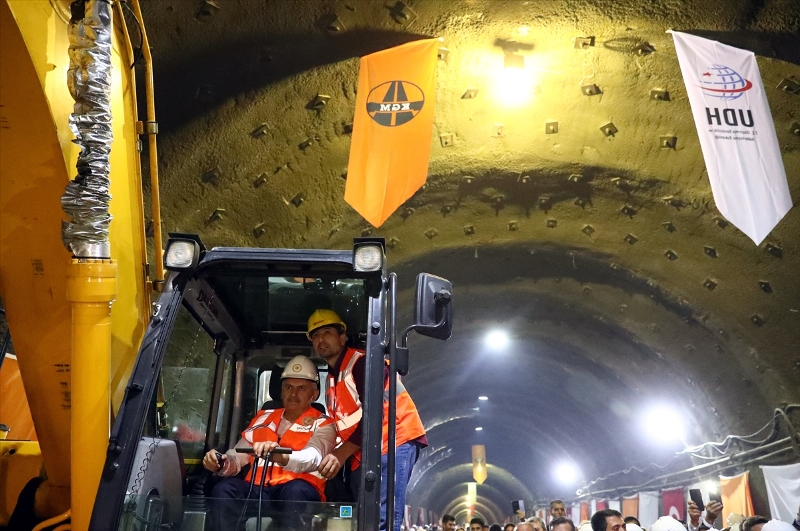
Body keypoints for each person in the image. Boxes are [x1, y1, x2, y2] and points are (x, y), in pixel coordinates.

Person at [310, 309, 428, 531]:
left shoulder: (362, 363)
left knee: (382, 520)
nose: (321, 339)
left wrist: (340, 454)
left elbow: (375, 413)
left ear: (342, 337)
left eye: (327, 332)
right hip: (364, 451)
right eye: (315, 336)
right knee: (364, 520)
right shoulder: (333, 378)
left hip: (393, 440)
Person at [203, 355, 335, 530]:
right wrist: (221, 462)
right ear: (281, 391)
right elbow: (238, 455)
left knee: (295, 491)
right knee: (225, 489)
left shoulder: (324, 423)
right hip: (258, 490)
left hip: (299, 492)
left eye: (301, 388)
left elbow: (314, 457)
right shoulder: (262, 418)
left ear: (314, 394)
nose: (293, 393)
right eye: (288, 387)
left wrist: (282, 457)